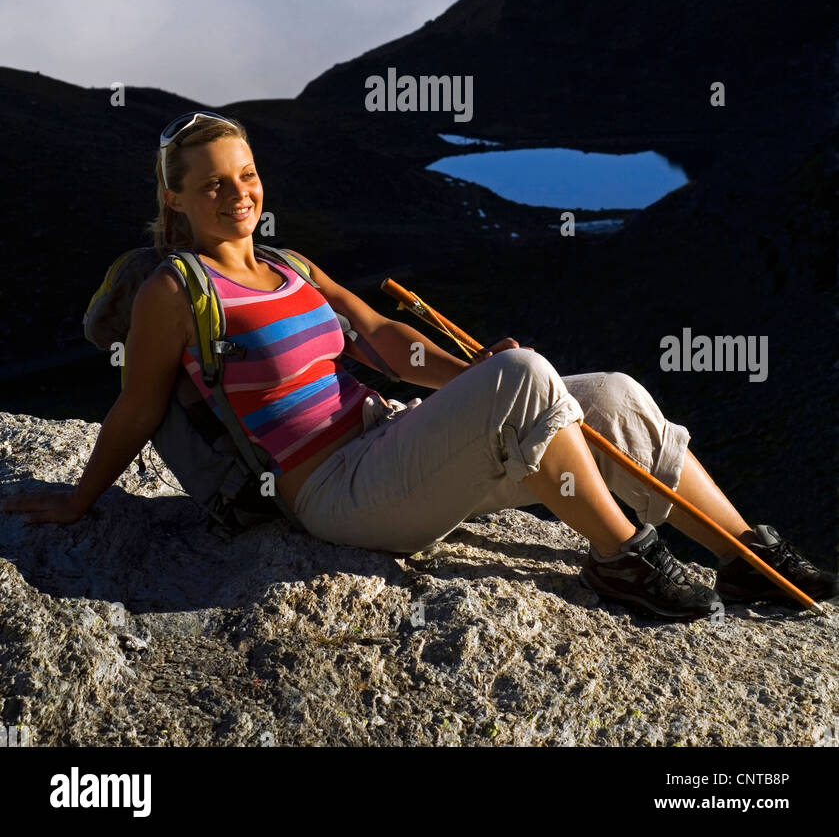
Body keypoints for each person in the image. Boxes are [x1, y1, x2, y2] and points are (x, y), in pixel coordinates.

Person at [4, 113, 836, 622]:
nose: (237, 194)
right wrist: (82, 498)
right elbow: (139, 407)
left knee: (611, 395)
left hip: (394, 447)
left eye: (248, 175)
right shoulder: (176, 289)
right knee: (525, 380)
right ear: (175, 200)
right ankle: (622, 558)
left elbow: (382, 343)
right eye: (213, 184)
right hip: (333, 493)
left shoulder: (291, 265)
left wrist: (482, 379)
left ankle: (741, 552)